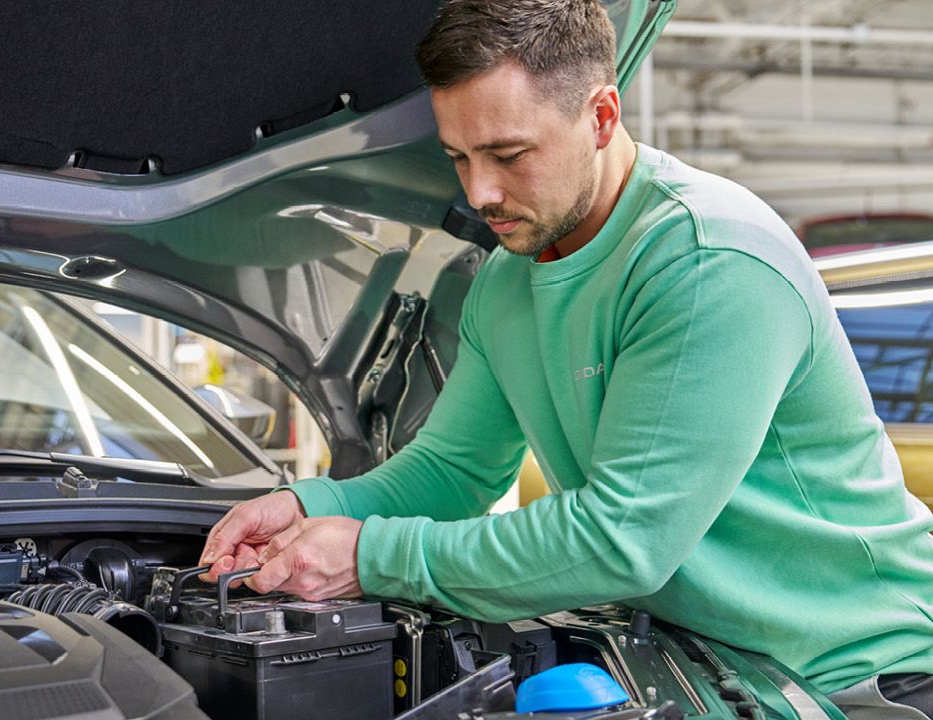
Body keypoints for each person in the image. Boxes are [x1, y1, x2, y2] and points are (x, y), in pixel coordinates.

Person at [200, 1, 933, 716]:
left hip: (860, 675)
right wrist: (309, 507)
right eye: (459, 157)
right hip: (706, 661)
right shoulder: (507, 279)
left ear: (602, 116)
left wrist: (368, 556)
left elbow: (624, 541)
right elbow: (453, 471)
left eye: (509, 154)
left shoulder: (708, 262)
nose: (480, 191)